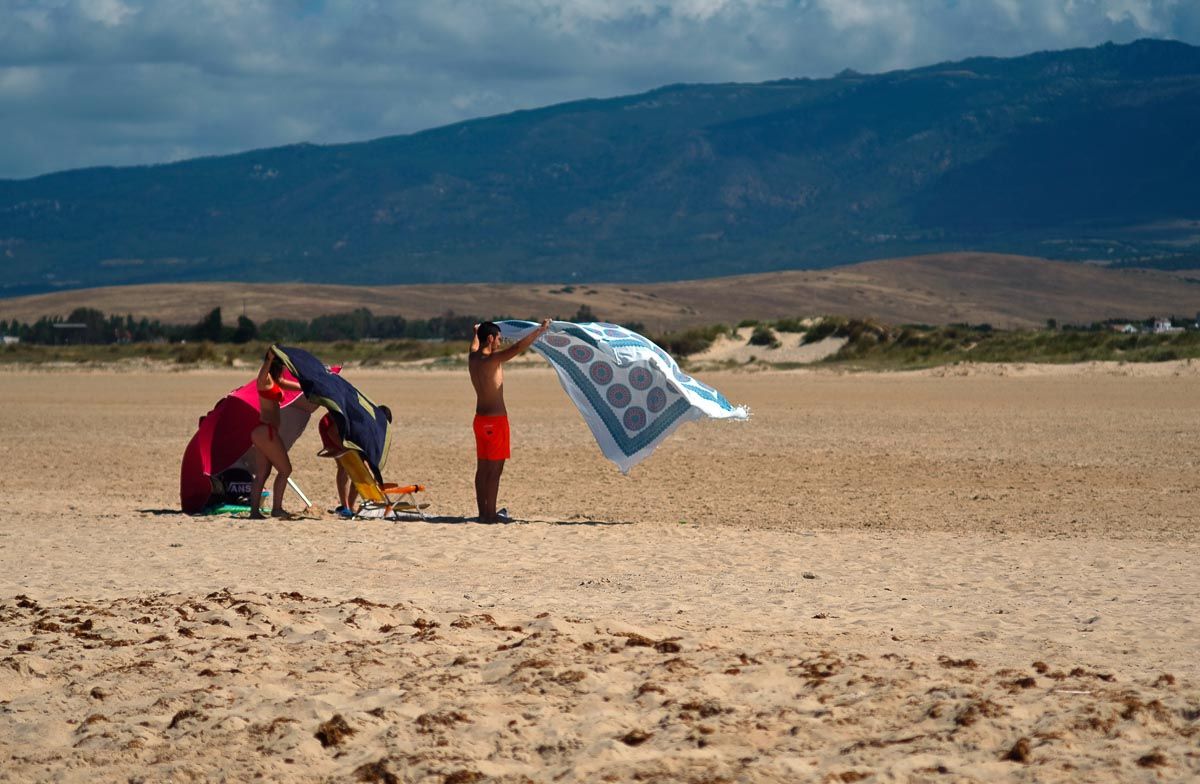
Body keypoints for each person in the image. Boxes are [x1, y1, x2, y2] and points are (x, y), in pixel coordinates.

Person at [469, 319, 551, 522]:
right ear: (490, 338)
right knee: (495, 471)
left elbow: (474, 345)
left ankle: (483, 512)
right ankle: (490, 515)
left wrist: (475, 332)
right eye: (498, 338)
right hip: (495, 422)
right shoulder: (492, 360)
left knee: (482, 469)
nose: (500, 341)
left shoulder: (472, 358)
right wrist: (539, 331)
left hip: (480, 421)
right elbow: (518, 348)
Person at [248, 346, 302, 519]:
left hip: (263, 431)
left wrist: (312, 385)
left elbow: (299, 386)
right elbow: (261, 376)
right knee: (286, 469)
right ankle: (276, 508)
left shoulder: (277, 381)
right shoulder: (265, 380)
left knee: (263, 473)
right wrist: (269, 359)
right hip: (266, 432)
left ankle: (254, 512)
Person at [319, 405, 392, 518]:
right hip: (329, 427)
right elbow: (331, 432)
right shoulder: (362, 418)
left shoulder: (371, 426)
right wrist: (344, 449)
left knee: (360, 468)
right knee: (343, 466)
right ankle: (345, 506)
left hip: (343, 432)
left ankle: (350, 506)